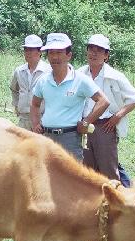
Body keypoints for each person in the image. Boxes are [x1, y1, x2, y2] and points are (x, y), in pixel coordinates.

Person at [30, 33, 109, 161]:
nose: (55, 57)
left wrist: (86, 121)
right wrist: (35, 124)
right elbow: (35, 104)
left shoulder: (81, 80)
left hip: (70, 138)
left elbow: (103, 101)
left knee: (71, 179)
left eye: (59, 52)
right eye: (51, 53)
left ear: (69, 55)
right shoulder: (43, 81)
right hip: (46, 136)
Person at [78, 34, 135, 181]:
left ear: (106, 55)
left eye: (99, 50)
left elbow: (134, 98)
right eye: (91, 49)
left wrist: (118, 116)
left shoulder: (114, 76)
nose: (94, 53)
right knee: (87, 169)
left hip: (104, 126)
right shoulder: (80, 73)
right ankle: (93, 203)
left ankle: (115, 200)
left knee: (108, 168)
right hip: (84, 125)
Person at [10, 34, 51, 130]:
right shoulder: (19, 71)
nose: (28, 53)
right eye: (26, 50)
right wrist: (16, 104)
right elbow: (14, 89)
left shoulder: (48, 71)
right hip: (23, 118)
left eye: (31, 50)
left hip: (41, 118)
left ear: (40, 51)